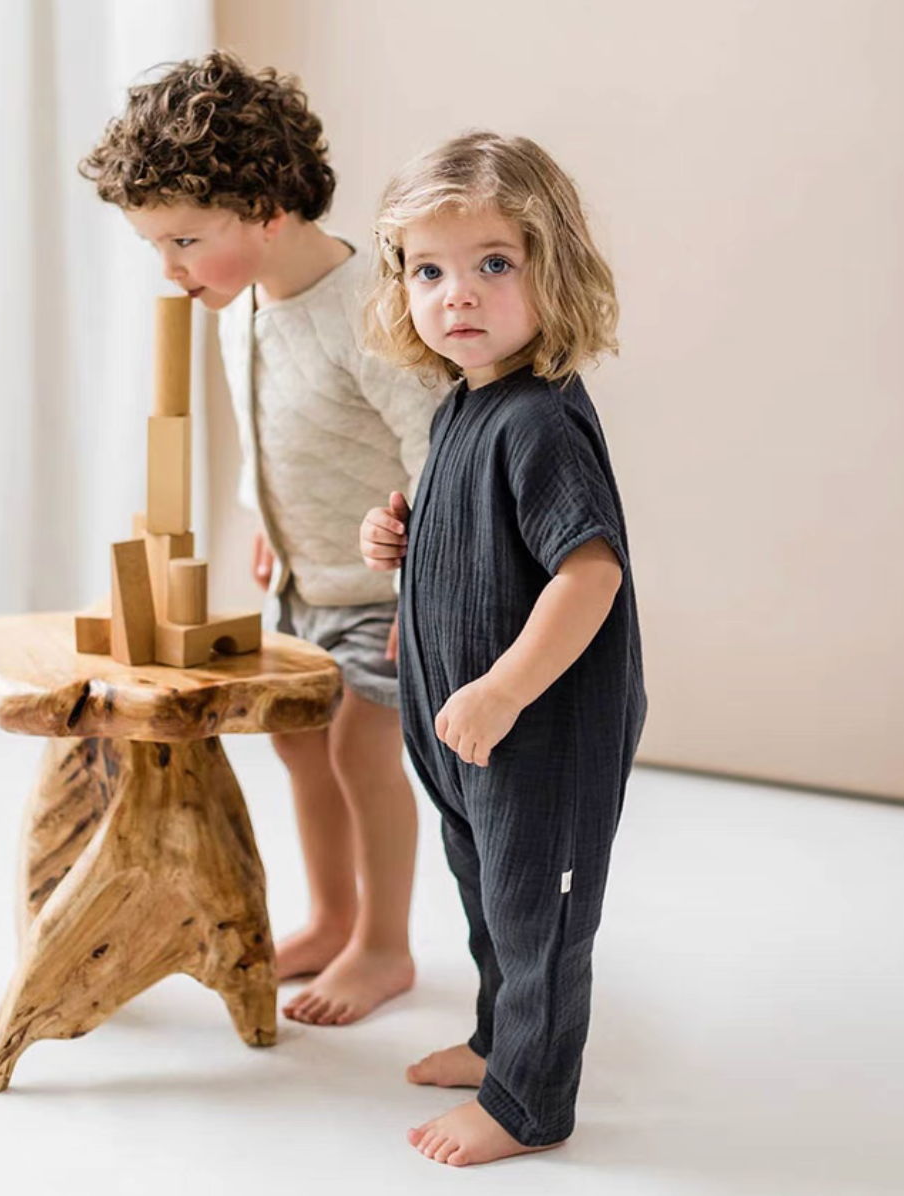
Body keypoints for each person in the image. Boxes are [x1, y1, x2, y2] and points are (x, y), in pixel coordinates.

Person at [81, 50, 442, 1026]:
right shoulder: (240, 307)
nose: (170, 268)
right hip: (302, 580)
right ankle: (329, 915)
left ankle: (384, 944)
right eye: (157, 246)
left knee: (366, 753)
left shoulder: (370, 313)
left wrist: (427, 596)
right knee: (299, 748)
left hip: (382, 597)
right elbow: (268, 422)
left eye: (185, 240)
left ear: (267, 208)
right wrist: (259, 518)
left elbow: (437, 459)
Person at [359, 131, 647, 1166]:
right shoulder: (460, 411)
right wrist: (398, 534)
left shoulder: (537, 421)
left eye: (492, 264)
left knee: (539, 912)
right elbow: (476, 538)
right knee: (489, 896)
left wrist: (501, 691)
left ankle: (529, 1101)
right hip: (466, 731)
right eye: (428, 270)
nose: (457, 296)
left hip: (536, 728)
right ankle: (497, 1042)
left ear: (548, 268)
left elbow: (588, 572)